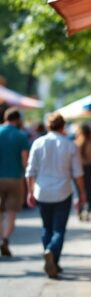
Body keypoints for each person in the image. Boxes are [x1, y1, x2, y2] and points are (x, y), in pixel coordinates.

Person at [26, 113, 86, 278]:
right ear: (63, 126)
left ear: (48, 126)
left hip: (42, 191)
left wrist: (30, 191)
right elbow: (78, 173)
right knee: (59, 229)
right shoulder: (69, 145)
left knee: (46, 227)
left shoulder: (38, 143)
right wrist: (82, 193)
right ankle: (52, 253)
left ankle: (51, 257)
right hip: (63, 191)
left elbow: (30, 171)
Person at [0, 108, 29, 256]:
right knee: (11, 212)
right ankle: (5, 239)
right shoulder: (20, 136)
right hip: (15, 178)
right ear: (17, 120)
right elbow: (25, 160)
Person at [75, 124, 91, 221]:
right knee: (90, 192)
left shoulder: (76, 144)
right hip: (90, 169)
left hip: (79, 170)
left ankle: (80, 210)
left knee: (79, 191)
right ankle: (88, 211)